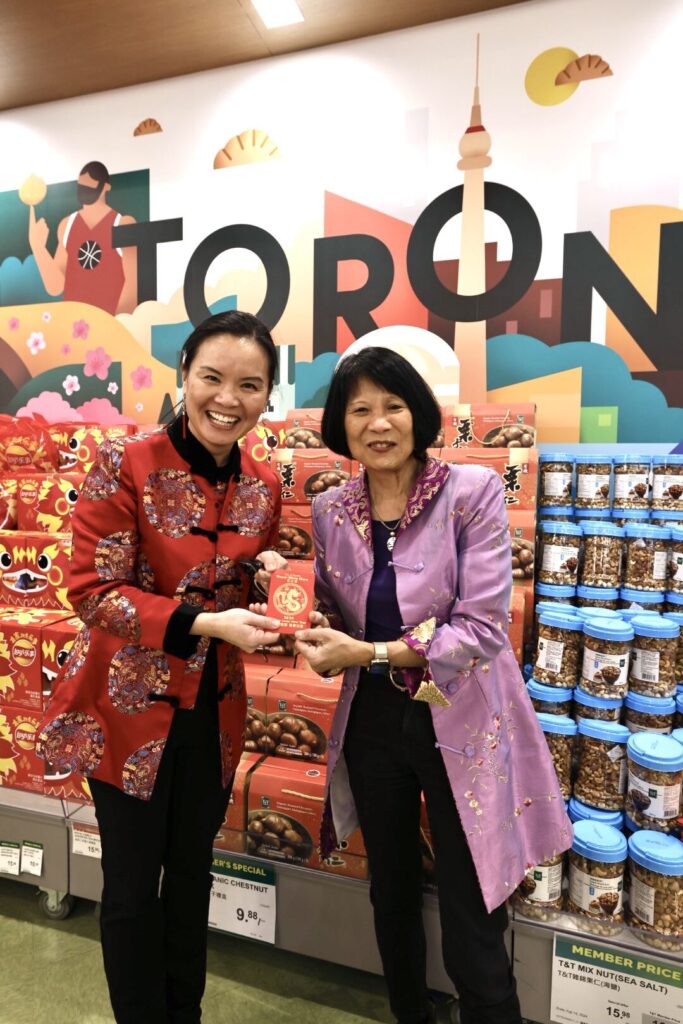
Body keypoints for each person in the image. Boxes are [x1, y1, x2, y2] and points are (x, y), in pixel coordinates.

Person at [294, 347, 572, 1024]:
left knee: (471, 891)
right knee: (389, 886)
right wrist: (298, 611)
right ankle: (408, 1011)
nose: (378, 422)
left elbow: (480, 629)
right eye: (359, 409)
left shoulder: (470, 493)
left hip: (458, 715)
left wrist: (371, 649)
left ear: (418, 416)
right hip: (373, 720)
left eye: (392, 406)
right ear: (341, 424)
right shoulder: (330, 509)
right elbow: (331, 604)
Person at [37, 310, 287, 1024]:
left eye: (249, 384)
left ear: (266, 395)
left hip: (213, 716)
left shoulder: (265, 485)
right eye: (212, 377)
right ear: (184, 373)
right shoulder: (126, 463)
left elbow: (244, 590)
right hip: (127, 716)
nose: (227, 398)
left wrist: (271, 578)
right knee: (128, 889)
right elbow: (92, 591)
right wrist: (204, 621)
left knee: (192, 882)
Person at [28, 160, 137, 314]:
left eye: (90, 186)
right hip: (73, 326)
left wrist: (116, 326)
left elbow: (133, 285)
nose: (85, 190)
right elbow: (56, 287)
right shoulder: (67, 225)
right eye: (81, 186)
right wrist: (38, 248)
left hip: (108, 324)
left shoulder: (123, 224)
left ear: (106, 187)